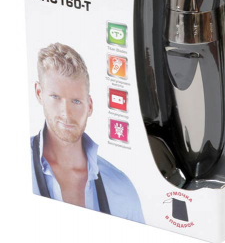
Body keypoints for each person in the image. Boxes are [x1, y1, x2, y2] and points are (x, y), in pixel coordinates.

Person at [30, 42, 144, 223]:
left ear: (90, 106)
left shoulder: (122, 190)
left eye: (76, 101)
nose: (66, 114)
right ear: (38, 93)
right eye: (55, 97)